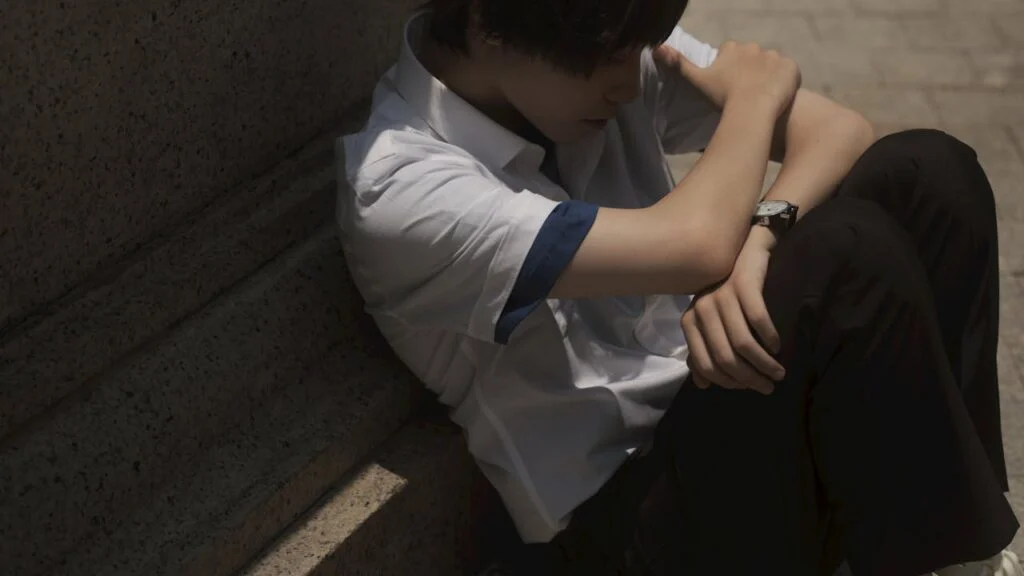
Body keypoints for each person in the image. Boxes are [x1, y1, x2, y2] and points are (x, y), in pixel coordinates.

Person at [335, 0, 1022, 574]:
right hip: (626, 527)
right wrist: (752, 100)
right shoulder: (400, 188)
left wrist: (759, 240)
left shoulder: (599, 36)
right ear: (488, 23)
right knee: (847, 252)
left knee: (931, 174)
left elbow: (838, 129)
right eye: (610, 60)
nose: (628, 84)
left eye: (637, 50)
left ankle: (961, 553)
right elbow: (698, 244)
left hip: (722, 422)